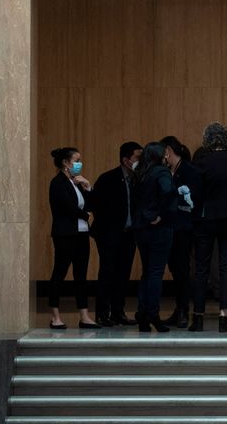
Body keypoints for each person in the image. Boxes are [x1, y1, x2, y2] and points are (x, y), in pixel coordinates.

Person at [190, 122, 227, 332]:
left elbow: (195, 194)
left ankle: (198, 317)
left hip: (206, 220)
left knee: (202, 268)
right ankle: (224, 317)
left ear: (207, 140)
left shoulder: (201, 162)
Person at [47, 146, 101, 329]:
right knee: (59, 274)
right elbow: (68, 207)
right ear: (66, 163)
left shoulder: (76, 183)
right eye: (76, 160)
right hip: (65, 235)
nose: (79, 164)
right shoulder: (58, 183)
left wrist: (88, 186)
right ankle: (55, 316)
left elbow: (92, 204)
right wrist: (85, 215)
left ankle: (84, 316)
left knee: (81, 275)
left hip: (82, 234)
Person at [90, 141, 142, 327]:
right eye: (137, 157)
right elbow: (96, 206)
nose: (140, 161)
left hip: (129, 235)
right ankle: (103, 313)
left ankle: (118, 311)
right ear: (126, 160)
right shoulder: (108, 179)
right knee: (107, 273)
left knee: (123, 274)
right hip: (109, 235)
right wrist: (107, 231)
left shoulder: (138, 180)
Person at [133, 141, 176, 332]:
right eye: (164, 154)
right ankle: (153, 315)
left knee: (146, 272)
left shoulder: (139, 173)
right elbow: (168, 192)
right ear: (159, 156)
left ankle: (142, 315)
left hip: (141, 229)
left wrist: (147, 215)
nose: (167, 157)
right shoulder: (162, 172)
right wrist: (160, 214)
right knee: (156, 273)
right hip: (159, 229)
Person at [162, 136, 199, 327]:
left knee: (182, 268)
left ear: (168, 150)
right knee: (175, 268)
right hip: (171, 226)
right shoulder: (169, 171)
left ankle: (184, 310)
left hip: (184, 226)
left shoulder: (189, 171)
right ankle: (179, 309)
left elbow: (191, 200)